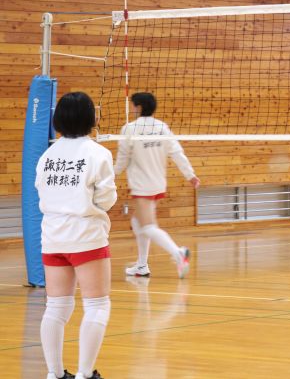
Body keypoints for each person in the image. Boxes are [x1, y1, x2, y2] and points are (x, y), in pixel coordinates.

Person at [36, 91, 116, 379]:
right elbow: (106, 200)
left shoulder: (47, 155)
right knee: (96, 304)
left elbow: (41, 193)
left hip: (52, 238)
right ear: (90, 119)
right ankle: (84, 375)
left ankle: (54, 374)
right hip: (86, 238)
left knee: (56, 306)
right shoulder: (99, 154)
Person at [114, 92, 199, 279]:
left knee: (147, 226)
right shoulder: (163, 127)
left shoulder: (130, 129)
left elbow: (122, 158)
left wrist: (110, 175)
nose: (132, 109)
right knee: (137, 222)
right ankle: (142, 265)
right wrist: (190, 175)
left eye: (133, 105)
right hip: (158, 184)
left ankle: (178, 253)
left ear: (139, 107)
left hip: (142, 185)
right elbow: (177, 152)